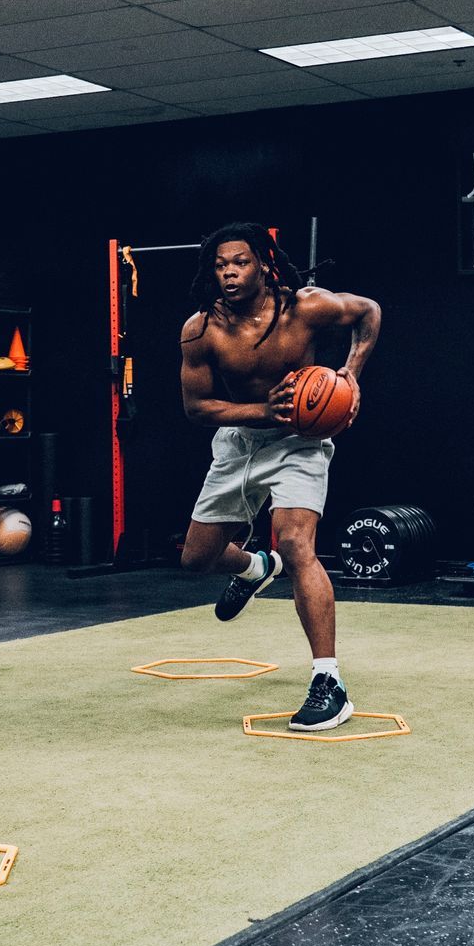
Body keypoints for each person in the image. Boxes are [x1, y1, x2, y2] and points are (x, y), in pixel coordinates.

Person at [176, 223, 381, 730]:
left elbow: (368, 311)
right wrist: (262, 412)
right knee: (196, 558)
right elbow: (198, 408)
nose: (228, 272)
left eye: (239, 262)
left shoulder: (305, 307)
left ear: (265, 266)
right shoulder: (201, 330)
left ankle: (328, 681)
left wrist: (350, 374)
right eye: (220, 265)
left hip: (299, 442)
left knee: (295, 544)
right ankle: (253, 568)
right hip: (241, 440)